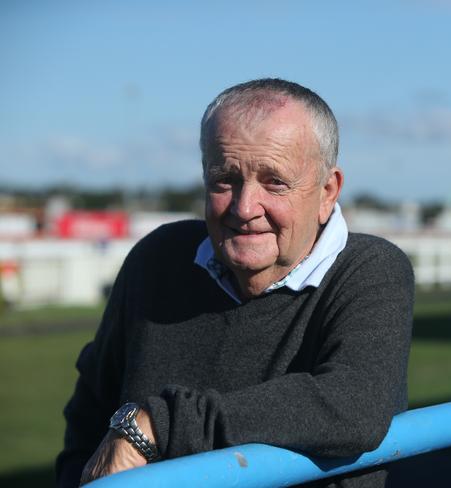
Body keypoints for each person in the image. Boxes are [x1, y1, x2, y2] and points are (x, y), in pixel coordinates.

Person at [56, 78, 414, 487]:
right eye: (225, 179)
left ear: (327, 191)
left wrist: (154, 426)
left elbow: (353, 405)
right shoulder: (157, 259)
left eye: (275, 182)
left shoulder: (369, 269)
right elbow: (89, 410)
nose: (245, 208)